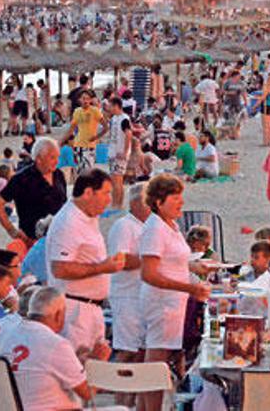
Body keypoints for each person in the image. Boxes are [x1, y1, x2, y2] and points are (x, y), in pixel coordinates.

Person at [138, 174, 211, 410]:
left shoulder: (171, 225)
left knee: (163, 360)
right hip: (161, 304)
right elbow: (149, 273)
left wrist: (192, 266)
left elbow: (171, 260)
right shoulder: (154, 229)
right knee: (155, 363)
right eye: (175, 198)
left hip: (172, 304)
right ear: (159, 202)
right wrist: (189, 287)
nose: (181, 202)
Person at [0, 287, 99, 409]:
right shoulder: (55, 344)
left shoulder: (9, 333)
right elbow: (88, 394)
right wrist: (99, 361)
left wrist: (76, 360)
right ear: (59, 315)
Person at [46, 169, 124, 354]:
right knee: (76, 367)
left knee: (94, 368)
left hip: (90, 308)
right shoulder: (68, 221)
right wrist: (102, 267)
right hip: (75, 310)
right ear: (88, 192)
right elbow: (60, 268)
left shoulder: (87, 217)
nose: (108, 200)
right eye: (106, 193)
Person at [107, 183, 150, 371]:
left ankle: (132, 398)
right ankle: (115, 388)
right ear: (135, 204)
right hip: (127, 297)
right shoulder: (124, 226)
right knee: (127, 352)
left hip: (140, 297)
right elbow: (120, 259)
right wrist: (151, 260)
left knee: (140, 353)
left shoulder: (143, 226)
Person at [0, 138, 67, 244]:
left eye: (57, 157)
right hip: (32, 241)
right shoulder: (21, 178)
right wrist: (12, 230)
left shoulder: (59, 175)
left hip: (59, 240)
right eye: (52, 157)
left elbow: (64, 205)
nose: (57, 161)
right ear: (38, 159)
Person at [60, 89, 107, 173]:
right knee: (79, 171)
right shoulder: (77, 111)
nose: (86, 101)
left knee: (88, 171)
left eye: (88, 98)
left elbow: (106, 127)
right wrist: (61, 141)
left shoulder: (95, 111)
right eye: (83, 98)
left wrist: (96, 137)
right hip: (78, 144)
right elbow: (71, 129)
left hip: (90, 146)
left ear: (90, 100)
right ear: (79, 100)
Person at [106, 97, 132, 209]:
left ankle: (118, 205)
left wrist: (125, 152)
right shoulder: (114, 118)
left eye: (110, 106)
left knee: (117, 181)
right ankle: (115, 204)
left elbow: (129, 134)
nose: (109, 108)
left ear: (116, 106)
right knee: (115, 180)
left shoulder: (124, 118)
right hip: (113, 152)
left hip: (119, 154)